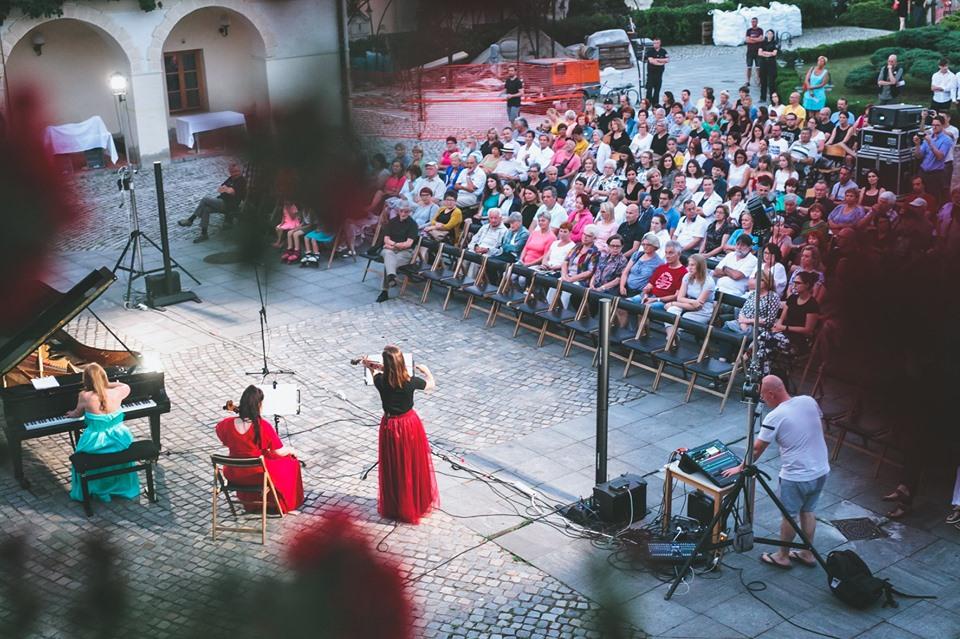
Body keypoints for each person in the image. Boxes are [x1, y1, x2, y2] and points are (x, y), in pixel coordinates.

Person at [722, 375, 829, 569]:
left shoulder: (775, 416)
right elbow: (818, 426)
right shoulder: (808, 400)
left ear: (771, 394)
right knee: (808, 510)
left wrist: (740, 467)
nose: (762, 400)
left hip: (797, 475)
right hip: (821, 469)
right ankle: (807, 553)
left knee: (790, 515)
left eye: (763, 396)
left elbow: (757, 448)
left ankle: (783, 556)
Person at [359, 346, 439, 525]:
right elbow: (431, 385)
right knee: (411, 463)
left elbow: (375, 376)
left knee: (394, 465)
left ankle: (396, 505)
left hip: (390, 426)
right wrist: (428, 372)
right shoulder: (411, 382)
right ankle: (415, 502)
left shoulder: (380, 381)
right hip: (409, 425)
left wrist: (370, 366)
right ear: (402, 362)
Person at [215, 385, 304, 513]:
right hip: (256, 474)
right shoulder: (263, 426)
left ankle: (253, 504)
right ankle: (284, 504)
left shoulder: (226, 424)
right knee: (291, 463)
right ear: (258, 405)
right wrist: (291, 450)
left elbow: (221, 435)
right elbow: (277, 452)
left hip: (234, 473)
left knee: (271, 465)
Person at [64, 363, 140, 503]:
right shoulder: (118, 391)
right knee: (118, 455)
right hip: (119, 440)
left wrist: (71, 414)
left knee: (79, 454)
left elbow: (76, 414)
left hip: (95, 444)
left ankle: (95, 487)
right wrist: (106, 383)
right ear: (104, 377)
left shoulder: (84, 396)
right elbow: (124, 385)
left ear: (86, 380)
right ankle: (117, 486)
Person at [178, 162, 247, 242]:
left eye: (236, 171)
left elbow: (231, 192)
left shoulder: (241, 181)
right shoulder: (230, 179)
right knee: (206, 209)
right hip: (222, 201)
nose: (234, 174)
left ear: (240, 171)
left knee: (205, 199)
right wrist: (226, 189)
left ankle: (190, 220)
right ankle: (204, 234)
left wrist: (227, 189)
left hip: (229, 204)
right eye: (232, 172)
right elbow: (220, 189)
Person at [377, 199, 420, 303]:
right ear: (398, 211)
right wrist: (394, 245)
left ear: (410, 212)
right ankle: (391, 277)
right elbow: (386, 239)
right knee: (388, 254)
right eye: (401, 211)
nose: (403, 213)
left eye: (406, 211)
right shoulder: (392, 222)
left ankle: (384, 291)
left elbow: (408, 244)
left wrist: (394, 245)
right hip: (389, 250)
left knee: (389, 263)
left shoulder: (413, 225)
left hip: (404, 252)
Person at [664, 254, 716, 331]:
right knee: (672, 311)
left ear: (700, 266)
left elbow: (697, 306)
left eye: (693, 265)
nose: (689, 268)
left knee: (682, 320)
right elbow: (680, 298)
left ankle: (671, 339)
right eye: (689, 265)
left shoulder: (709, 282)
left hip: (702, 311)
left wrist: (673, 303)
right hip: (687, 305)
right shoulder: (687, 276)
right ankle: (671, 338)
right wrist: (692, 301)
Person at [914, 116, 954, 202]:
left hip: (935, 174)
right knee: (919, 196)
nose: (934, 127)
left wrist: (931, 143)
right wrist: (917, 145)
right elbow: (918, 156)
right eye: (933, 125)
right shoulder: (929, 137)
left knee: (933, 198)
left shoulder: (946, 140)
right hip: (923, 171)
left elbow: (940, 157)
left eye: (937, 125)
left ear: (942, 126)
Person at [757, 29, 779, 103]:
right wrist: (768, 53)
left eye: (771, 34)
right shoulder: (763, 43)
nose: (769, 35)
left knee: (771, 82)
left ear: (773, 35)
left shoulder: (775, 43)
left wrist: (765, 53)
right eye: (768, 33)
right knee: (763, 81)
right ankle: (762, 98)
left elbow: (774, 53)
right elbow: (759, 53)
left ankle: (772, 98)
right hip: (763, 64)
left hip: (771, 64)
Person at [744, 17, 764, 86]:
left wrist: (752, 39)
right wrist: (756, 39)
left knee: (758, 68)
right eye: (752, 22)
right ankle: (748, 81)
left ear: (757, 22)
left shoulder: (760, 30)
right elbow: (747, 40)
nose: (753, 23)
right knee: (749, 67)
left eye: (755, 22)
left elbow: (761, 39)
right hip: (750, 51)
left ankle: (759, 81)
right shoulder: (748, 31)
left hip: (758, 51)